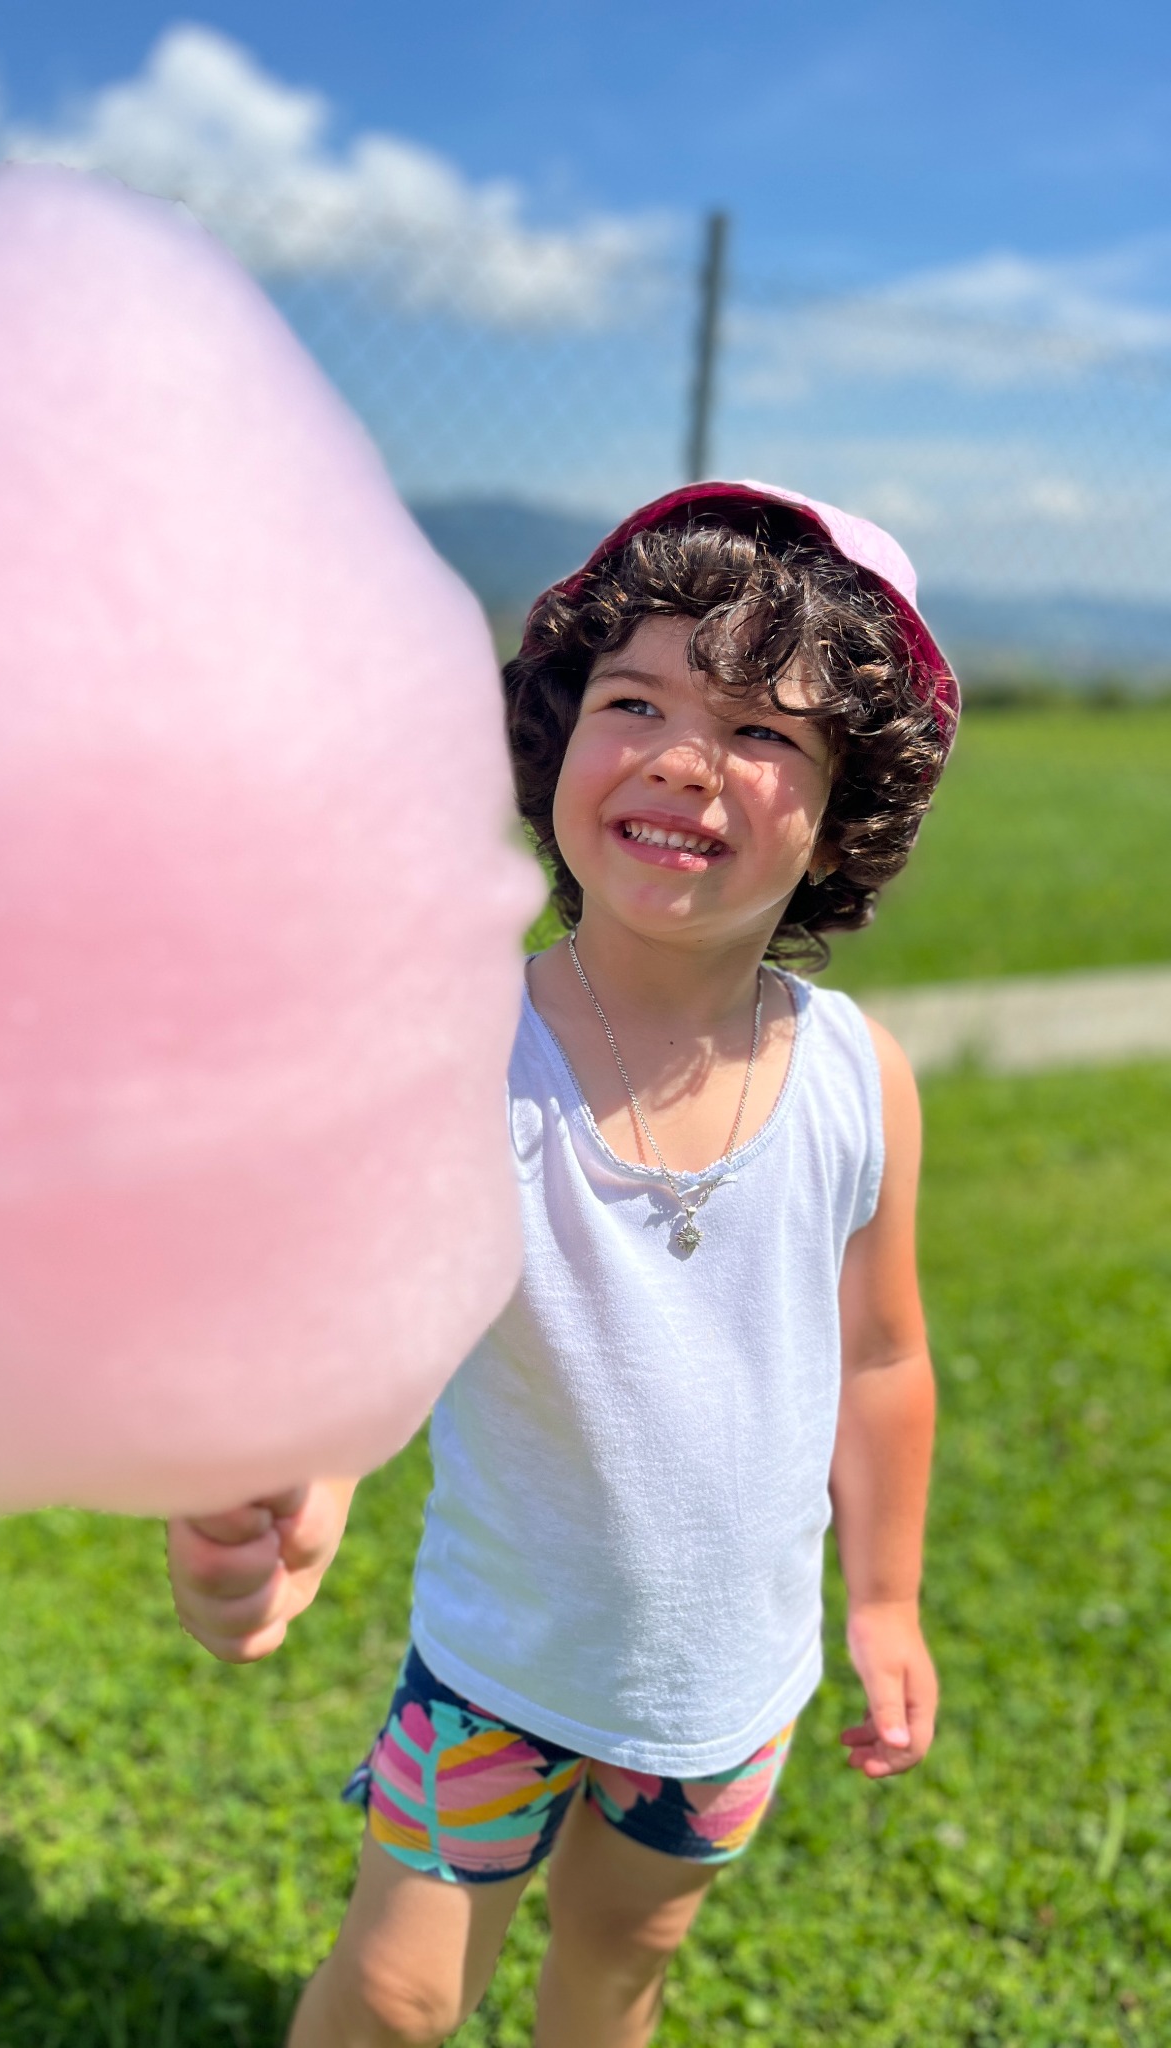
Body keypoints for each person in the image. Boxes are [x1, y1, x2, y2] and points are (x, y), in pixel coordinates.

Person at [167, 480, 959, 2046]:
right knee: (394, 1997)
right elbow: (374, 1324)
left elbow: (882, 1357)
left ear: (841, 813)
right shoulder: (465, 1046)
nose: (684, 756)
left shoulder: (861, 1080)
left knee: (616, 1970)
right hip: (496, 1665)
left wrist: (886, 1601)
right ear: (558, 739)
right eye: (637, 700)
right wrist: (300, 1499)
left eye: (764, 733)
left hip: (723, 1692)